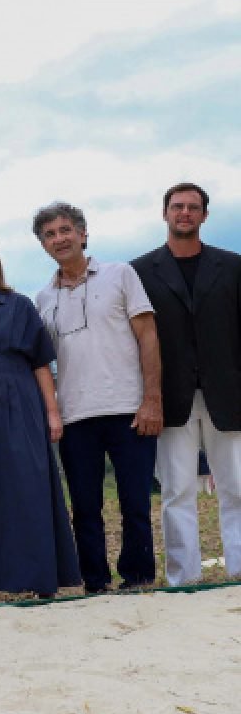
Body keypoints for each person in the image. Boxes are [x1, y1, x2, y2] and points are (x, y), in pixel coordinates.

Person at [33, 201, 163, 593]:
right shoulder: (42, 299)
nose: (59, 239)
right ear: (43, 244)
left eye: (65, 230)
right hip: (74, 416)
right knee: (86, 508)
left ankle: (138, 577)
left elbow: (148, 335)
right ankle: (95, 580)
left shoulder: (120, 275)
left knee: (136, 502)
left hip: (128, 407)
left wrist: (152, 399)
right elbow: (43, 364)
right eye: (50, 235)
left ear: (83, 233)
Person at [0, 235, 81, 596]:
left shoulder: (19, 305)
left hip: (22, 399)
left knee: (29, 483)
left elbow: (41, 362)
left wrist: (52, 412)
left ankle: (39, 578)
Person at [132, 183, 241, 585]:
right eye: (177, 206)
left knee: (237, 486)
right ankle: (183, 577)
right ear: (165, 213)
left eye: (193, 207)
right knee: (177, 490)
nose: (185, 213)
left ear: (204, 216)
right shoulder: (139, 271)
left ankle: (239, 571)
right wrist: (146, 396)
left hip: (228, 395)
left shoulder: (233, 266)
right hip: (169, 396)